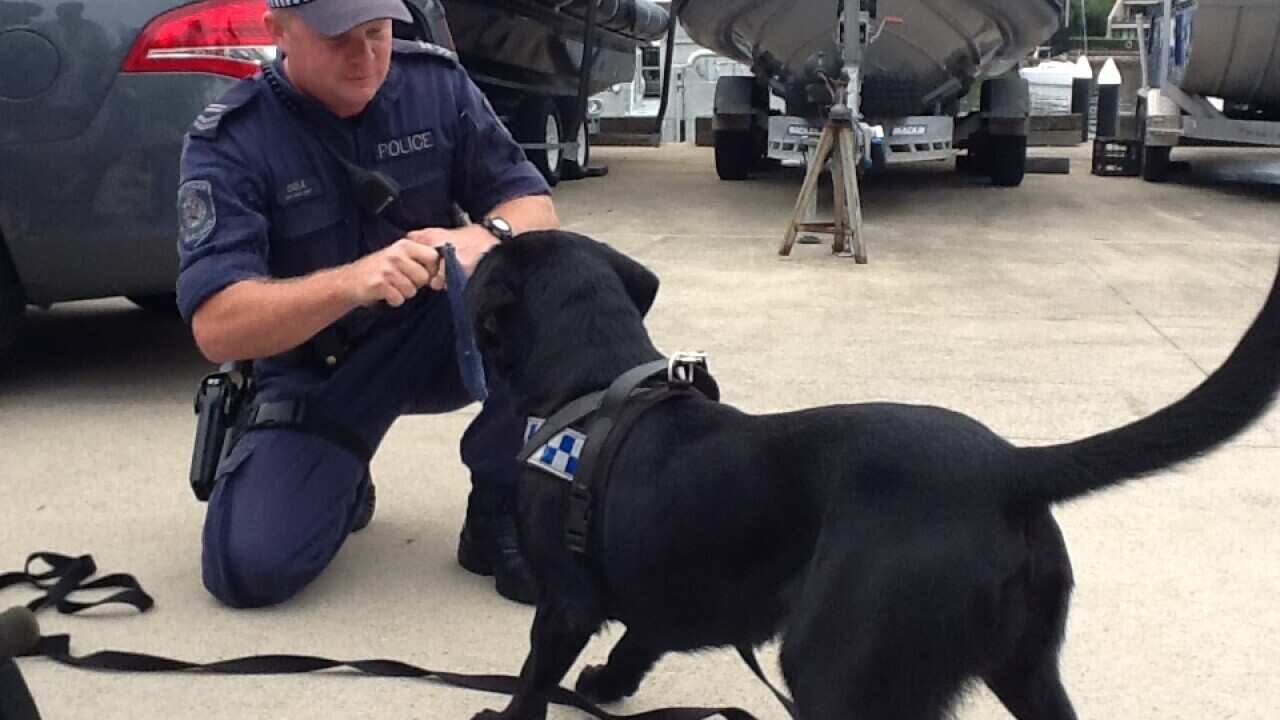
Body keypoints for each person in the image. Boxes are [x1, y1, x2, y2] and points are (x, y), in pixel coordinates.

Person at [175, 0, 559, 609]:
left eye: (377, 32)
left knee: (559, 281)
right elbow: (218, 326)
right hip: (316, 371)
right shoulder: (233, 139)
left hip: (433, 335)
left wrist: (478, 239)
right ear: (278, 31)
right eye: (338, 39)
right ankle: (340, 476)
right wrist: (351, 283)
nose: (366, 56)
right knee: (249, 571)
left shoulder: (436, 87)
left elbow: (534, 209)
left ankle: (501, 502)